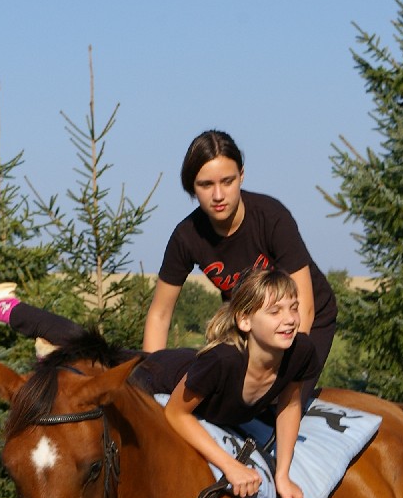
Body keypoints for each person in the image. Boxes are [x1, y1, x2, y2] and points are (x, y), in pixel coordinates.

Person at [0, 268, 316, 498]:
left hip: (190, 372)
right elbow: (176, 414)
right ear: (245, 321)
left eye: (293, 308)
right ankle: (2, 306)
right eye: (275, 311)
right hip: (156, 377)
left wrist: (282, 475)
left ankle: (50, 348)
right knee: (95, 352)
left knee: (92, 348)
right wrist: (230, 467)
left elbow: (288, 405)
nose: (289, 320)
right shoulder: (222, 362)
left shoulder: (299, 351)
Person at [143, 130, 337, 400]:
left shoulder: (271, 218)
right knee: (223, 401)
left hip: (304, 321)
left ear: (241, 175)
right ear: (191, 187)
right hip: (248, 323)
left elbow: (305, 306)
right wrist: (151, 381)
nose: (218, 195)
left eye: (227, 181)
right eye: (206, 185)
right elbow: (160, 315)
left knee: (276, 403)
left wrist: (279, 371)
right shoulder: (186, 237)